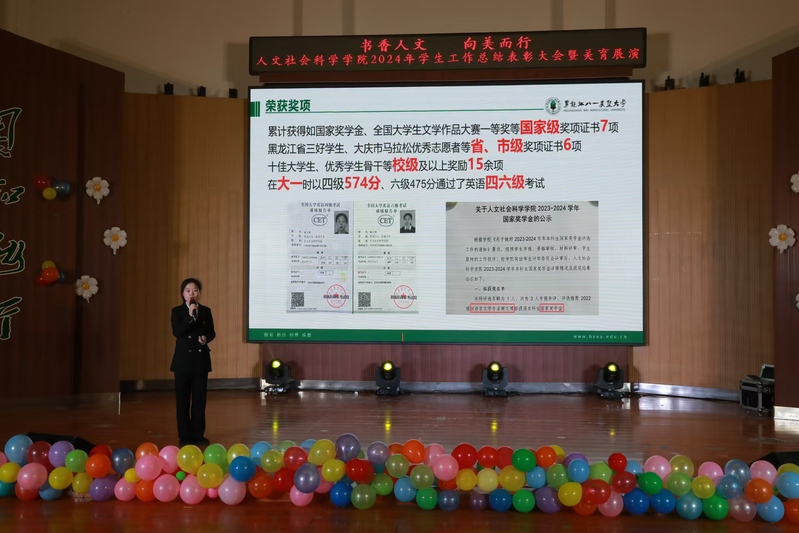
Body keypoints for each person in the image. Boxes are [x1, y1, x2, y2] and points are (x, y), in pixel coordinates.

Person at [170, 278, 216, 447]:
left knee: (199, 400)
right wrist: (190, 316)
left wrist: (206, 338)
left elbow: (211, 332)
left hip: (200, 361)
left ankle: (198, 434)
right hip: (182, 361)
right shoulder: (177, 311)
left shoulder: (205, 311)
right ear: (183, 294)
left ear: (199, 293)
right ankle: (184, 435)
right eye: (188, 290)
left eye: (195, 290)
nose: (192, 293)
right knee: (182, 400)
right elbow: (177, 332)